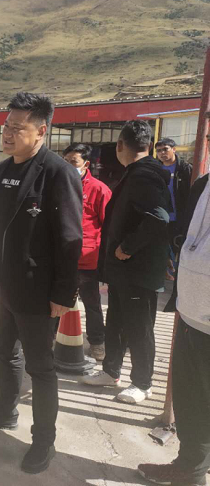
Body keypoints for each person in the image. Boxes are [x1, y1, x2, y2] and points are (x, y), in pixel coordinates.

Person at [0, 92, 83, 474]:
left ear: (41, 131)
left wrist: (64, 294)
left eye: (18, 127)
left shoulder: (58, 173)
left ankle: (43, 440)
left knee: (41, 368)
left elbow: (70, 238)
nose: (8, 133)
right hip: (0, 286)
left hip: (37, 291)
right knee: (4, 352)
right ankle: (5, 411)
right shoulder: (2, 170)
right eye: (6, 125)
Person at [81, 120, 171, 405]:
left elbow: (159, 218)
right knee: (117, 322)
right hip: (123, 271)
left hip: (138, 271)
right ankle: (111, 371)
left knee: (139, 328)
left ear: (120, 145)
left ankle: (143, 383)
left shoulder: (144, 175)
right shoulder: (136, 173)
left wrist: (127, 247)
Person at [138, 154, 210, 486]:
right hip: (191, 313)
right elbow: (185, 235)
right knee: (190, 402)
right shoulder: (202, 185)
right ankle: (189, 471)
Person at [63, 144, 112, 361]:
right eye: (65, 161)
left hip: (87, 259)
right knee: (57, 300)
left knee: (91, 304)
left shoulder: (99, 189)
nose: (68, 166)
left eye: (73, 162)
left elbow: (109, 226)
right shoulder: (58, 184)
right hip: (61, 257)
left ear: (86, 164)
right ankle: (50, 338)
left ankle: (97, 342)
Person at [155, 138, 192, 279]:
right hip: (160, 217)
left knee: (179, 248)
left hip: (180, 217)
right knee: (161, 247)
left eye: (165, 149)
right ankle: (165, 274)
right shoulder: (156, 169)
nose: (162, 153)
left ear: (174, 149)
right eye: (159, 151)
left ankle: (179, 277)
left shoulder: (185, 169)